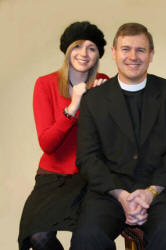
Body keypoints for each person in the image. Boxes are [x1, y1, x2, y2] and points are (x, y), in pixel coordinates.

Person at [70, 22, 166, 250]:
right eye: (126, 49)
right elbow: (87, 158)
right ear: (114, 53)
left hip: (161, 189)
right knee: (87, 237)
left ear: (151, 54)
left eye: (141, 50)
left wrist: (152, 192)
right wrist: (120, 195)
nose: (133, 57)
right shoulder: (93, 100)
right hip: (109, 191)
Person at [18, 21, 108, 250]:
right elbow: (48, 144)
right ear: (68, 50)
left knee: (88, 240)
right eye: (78, 46)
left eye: (92, 48)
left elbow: (111, 141)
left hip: (89, 176)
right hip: (53, 176)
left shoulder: (104, 83)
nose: (84, 53)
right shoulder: (45, 84)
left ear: (98, 54)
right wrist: (74, 106)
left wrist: (100, 102)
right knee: (39, 237)